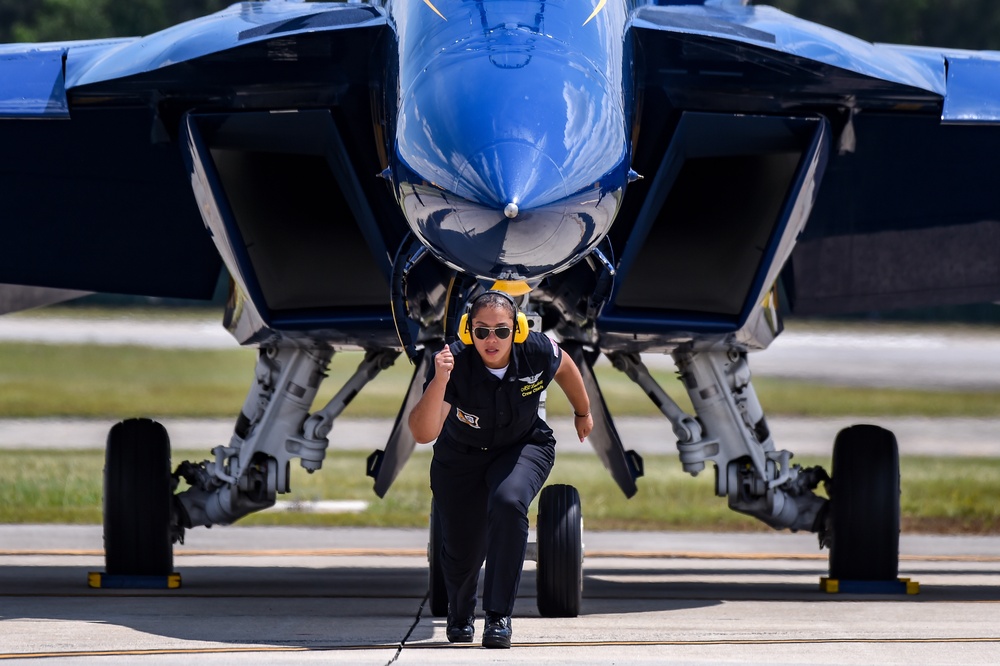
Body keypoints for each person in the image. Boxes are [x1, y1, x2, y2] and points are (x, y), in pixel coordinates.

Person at [408, 290, 594, 649]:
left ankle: (498, 618)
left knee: (509, 503)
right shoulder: (454, 362)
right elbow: (423, 432)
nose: (491, 340)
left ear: (517, 329)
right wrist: (440, 379)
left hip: (523, 447)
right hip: (460, 458)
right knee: (462, 550)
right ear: (468, 331)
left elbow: (567, 367)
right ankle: (460, 612)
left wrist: (582, 412)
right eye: (481, 331)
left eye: (501, 331)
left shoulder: (537, 350)